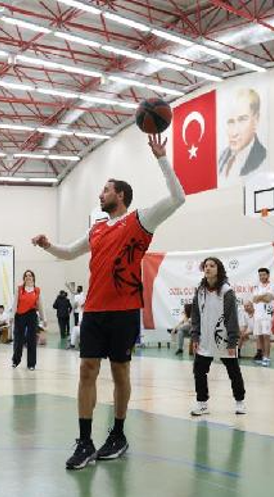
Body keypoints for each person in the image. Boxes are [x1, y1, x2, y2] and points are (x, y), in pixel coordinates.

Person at [32, 134, 185, 470]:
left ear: (121, 195)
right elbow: (70, 251)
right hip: (95, 312)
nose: (100, 194)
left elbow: (178, 198)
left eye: (105, 189)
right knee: (87, 370)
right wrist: (47, 245)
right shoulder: (98, 228)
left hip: (125, 311)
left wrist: (161, 158)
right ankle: (85, 442)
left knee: (120, 372)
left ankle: (118, 434)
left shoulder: (140, 220)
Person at [189, 257, 246, 416]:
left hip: (224, 339)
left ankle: (240, 401)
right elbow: (195, 315)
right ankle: (202, 403)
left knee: (233, 371)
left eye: (212, 266)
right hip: (205, 339)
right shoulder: (200, 291)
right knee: (199, 370)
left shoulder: (227, 291)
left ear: (218, 269)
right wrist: (195, 336)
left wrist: (232, 341)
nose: (208, 268)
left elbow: (232, 317)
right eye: (206, 266)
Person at [217, 88, 267, 185]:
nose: (234, 132)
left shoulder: (262, 157)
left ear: (256, 119)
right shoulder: (221, 158)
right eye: (230, 122)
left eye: (242, 120)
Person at [11, 270, 46, 370]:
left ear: (33, 277)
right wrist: (12, 316)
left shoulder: (37, 290)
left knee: (31, 340)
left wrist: (44, 318)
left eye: (30, 275)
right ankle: (15, 361)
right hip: (20, 315)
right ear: (24, 278)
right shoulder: (19, 289)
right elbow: (15, 303)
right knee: (18, 339)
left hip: (31, 315)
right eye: (26, 276)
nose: (28, 277)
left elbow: (40, 305)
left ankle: (31, 364)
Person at [251, 268, 274, 367]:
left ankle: (267, 357)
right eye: (260, 275)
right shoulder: (257, 286)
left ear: (268, 275)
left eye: (263, 275)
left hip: (267, 314)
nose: (262, 277)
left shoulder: (272, 286)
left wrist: (260, 297)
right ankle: (262, 356)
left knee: (266, 336)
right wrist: (263, 295)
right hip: (258, 314)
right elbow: (254, 299)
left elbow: (268, 299)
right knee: (259, 336)